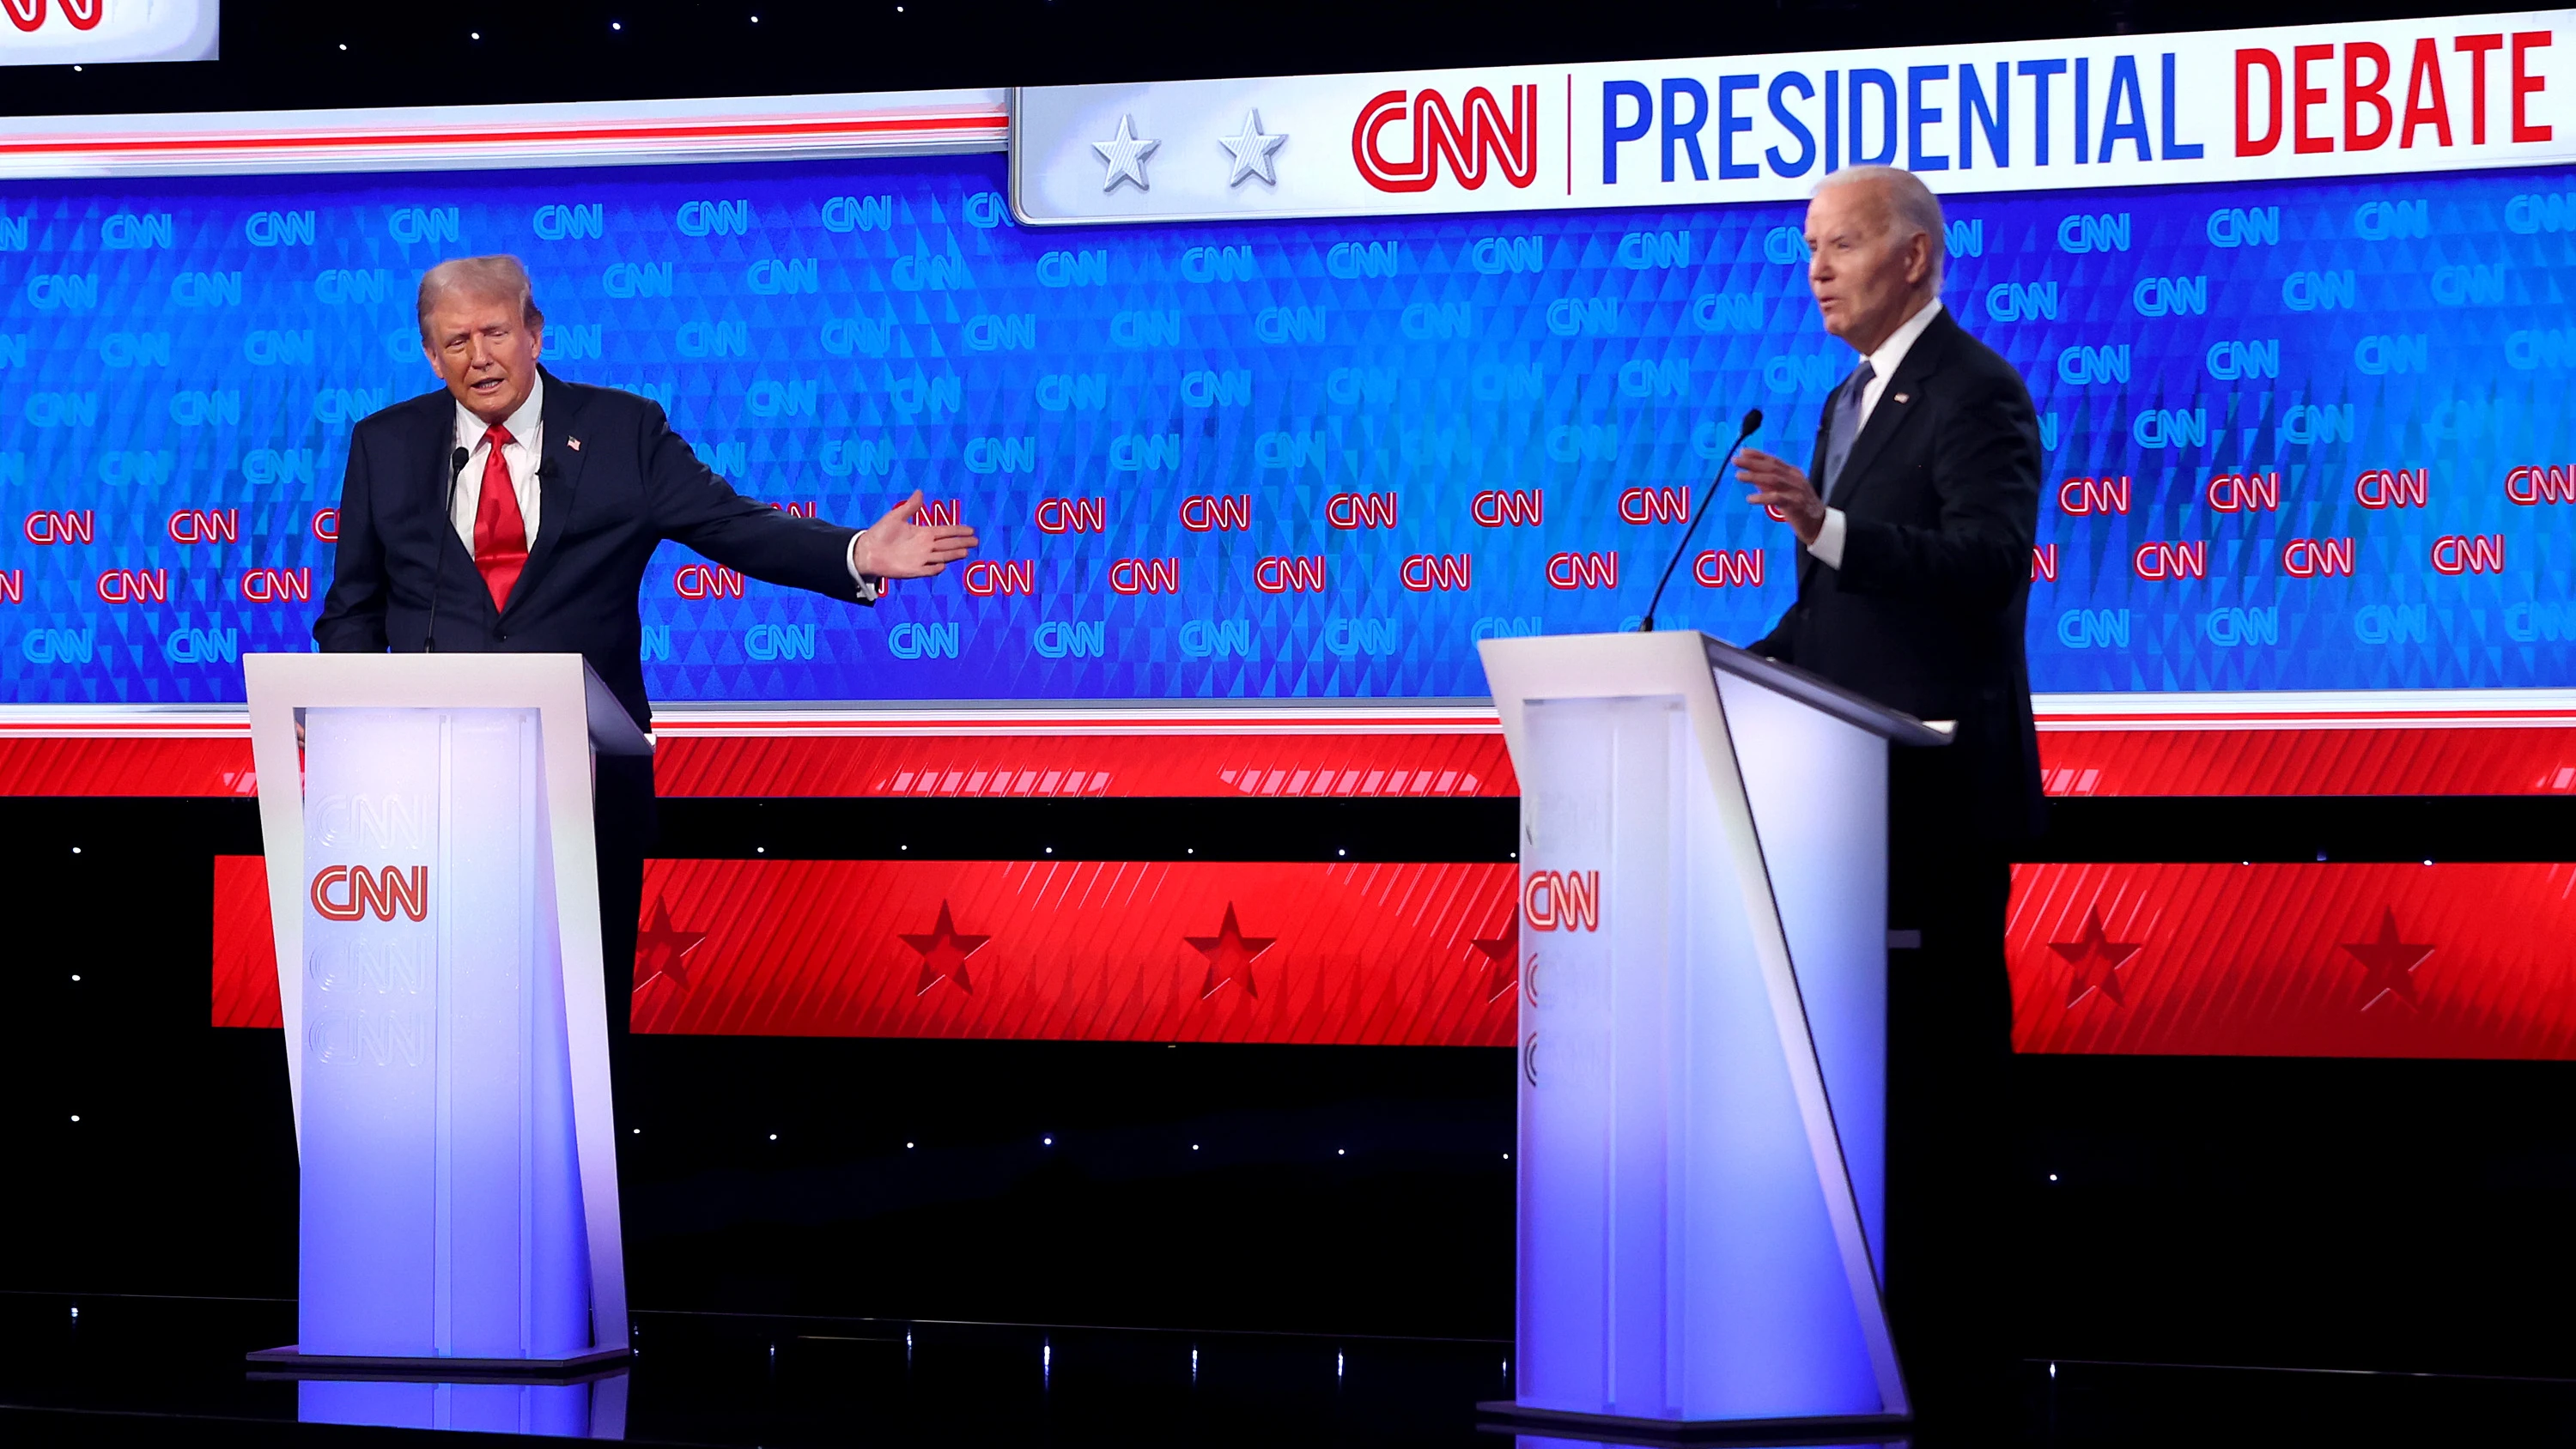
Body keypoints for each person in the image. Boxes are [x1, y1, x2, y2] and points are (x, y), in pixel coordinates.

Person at [313, 254, 977, 1115]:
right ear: (429, 355)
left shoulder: (623, 429)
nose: (478, 356)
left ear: (534, 331)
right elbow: (354, 606)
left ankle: (581, 1220)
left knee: (577, 1037)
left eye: (495, 332)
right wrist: (349, 731)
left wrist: (853, 552)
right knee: (443, 1036)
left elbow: (733, 525)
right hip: (430, 796)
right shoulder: (388, 443)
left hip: (585, 786)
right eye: (455, 341)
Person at [1735, 167, 2045, 1439]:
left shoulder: (1976, 392)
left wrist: (1836, 531)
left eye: (1841, 245)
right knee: (1864, 1098)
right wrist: (1718, 673)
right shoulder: (1842, 400)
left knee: (1945, 1096)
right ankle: (1870, 1341)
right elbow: (1831, 619)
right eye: (1809, 246)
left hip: (1937, 805)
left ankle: (1968, 1368)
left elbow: (1986, 564)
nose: (1816, 268)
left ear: (1914, 258)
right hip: (1843, 813)